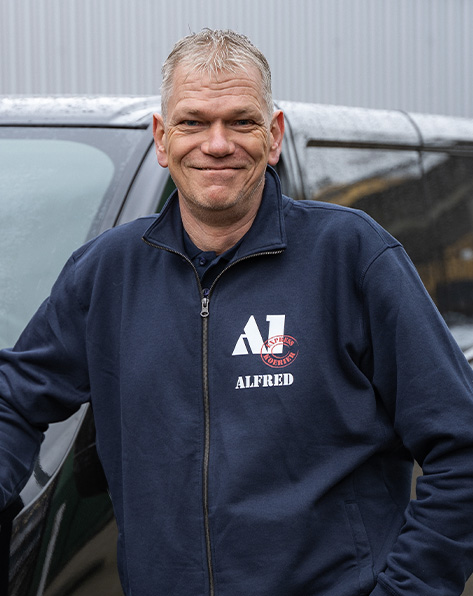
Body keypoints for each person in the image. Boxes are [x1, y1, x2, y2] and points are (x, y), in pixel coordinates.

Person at [1, 28, 473, 596]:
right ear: (161, 137)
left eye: (241, 121)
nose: (217, 143)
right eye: (193, 121)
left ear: (273, 136)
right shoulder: (107, 272)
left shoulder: (351, 256)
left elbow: (461, 448)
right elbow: (15, 397)